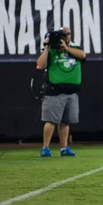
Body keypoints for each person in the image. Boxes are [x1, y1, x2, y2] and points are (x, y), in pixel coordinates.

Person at [36, 26, 87, 157]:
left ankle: (64, 148)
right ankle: (45, 148)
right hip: (54, 91)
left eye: (68, 34)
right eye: (64, 34)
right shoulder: (52, 50)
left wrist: (66, 48)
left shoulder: (75, 48)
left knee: (66, 121)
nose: (66, 36)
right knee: (51, 120)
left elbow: (82, 55)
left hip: (71, 91)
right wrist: (47, 47)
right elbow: (40, 65)